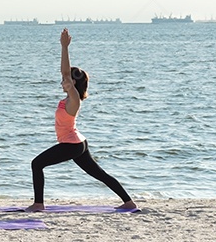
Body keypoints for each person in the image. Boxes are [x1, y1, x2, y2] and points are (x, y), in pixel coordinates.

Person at [26, 29, 137, 212]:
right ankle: (129, 202)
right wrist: (63, 48)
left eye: (65, 80)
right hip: (77, 143)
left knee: (37, 164)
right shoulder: (68, 99)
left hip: (72, 144)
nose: (62, 82)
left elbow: (66, 74)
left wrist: (64, 48)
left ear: (73, 84)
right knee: (98, 174)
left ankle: (38, 204)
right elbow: (65, 74)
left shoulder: (73, 99)